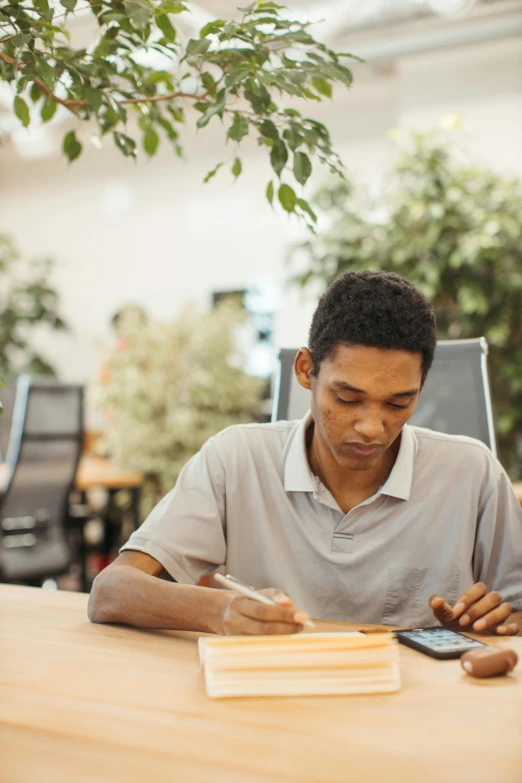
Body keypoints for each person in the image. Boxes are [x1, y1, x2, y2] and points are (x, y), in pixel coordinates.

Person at [88, 271, 522, 637]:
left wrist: (498, 623)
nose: (372, 427)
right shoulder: (236, 459)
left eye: (397, 403)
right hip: (275, 711)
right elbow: (111, 591)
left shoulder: (472, 473)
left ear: (420, 389)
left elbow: (516, 609)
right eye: (348, 398)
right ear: (304, 370)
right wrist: (220, 612)